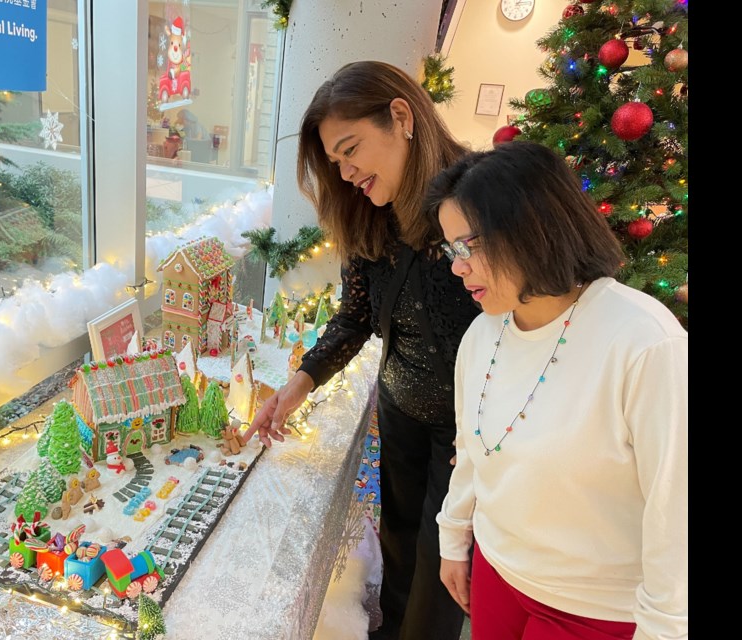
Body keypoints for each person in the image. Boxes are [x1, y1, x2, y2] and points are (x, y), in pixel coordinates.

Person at [244, 60, 480, 640]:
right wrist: (294, 388)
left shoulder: (476, 200)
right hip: (400, 410)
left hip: (469, 432)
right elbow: (353, 319)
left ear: (400, 116)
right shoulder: (368, 216)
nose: (347, 173)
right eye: (336, 162)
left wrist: (490, 436)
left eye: (351, 150)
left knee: (440, 571)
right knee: (399, 549)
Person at [427, 141, 687, 640]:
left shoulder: (644, 342)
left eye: (469, 247)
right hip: (497, 573)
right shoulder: (484, 333)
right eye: (450, 249)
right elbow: (472, 449)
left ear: (531, 228)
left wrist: (666, 629)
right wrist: (453, 538)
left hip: (596, 607)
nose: (457, 267)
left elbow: (676, 510)